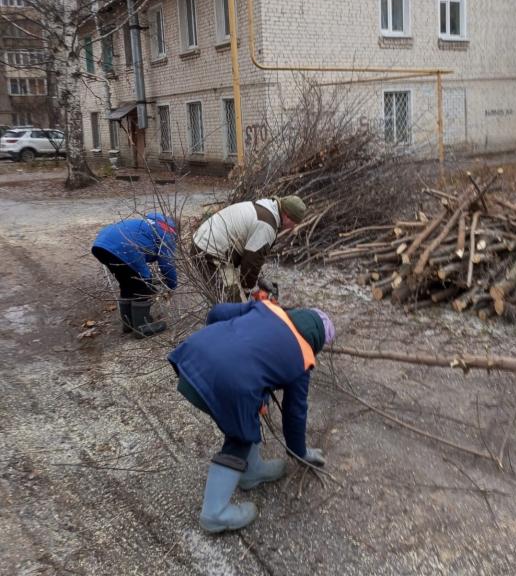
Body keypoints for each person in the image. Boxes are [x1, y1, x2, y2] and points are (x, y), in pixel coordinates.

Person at [167, 298, 335, 533]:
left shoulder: (268, 308)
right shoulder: (303, 358)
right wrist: (300, 452)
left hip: (192, 356)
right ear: (317, 343)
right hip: (226, 383)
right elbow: (294, 413)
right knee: (240, 436)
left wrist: (222, 346)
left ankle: (251, 471)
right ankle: (215, 514)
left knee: (251, 408)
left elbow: (217, 312)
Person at [190, 196, 306, 297]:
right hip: (209, 252)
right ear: (287, 216)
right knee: (234, 302)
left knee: (232, 298)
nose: (293, 227)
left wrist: (258, 279)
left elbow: (252, 252)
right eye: (294, 223)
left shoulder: (266, 207)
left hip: (206, 242)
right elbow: (251, 261)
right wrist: (248, 289)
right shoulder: (266, 225)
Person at [92, 212, 177, 338]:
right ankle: (141, 327)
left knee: (127, 284)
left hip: (101, 244)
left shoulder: (151, 224)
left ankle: (129, 323)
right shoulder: (167, 234)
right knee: (143, 286)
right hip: (124, 248)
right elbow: (167, 265)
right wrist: (172, 285)